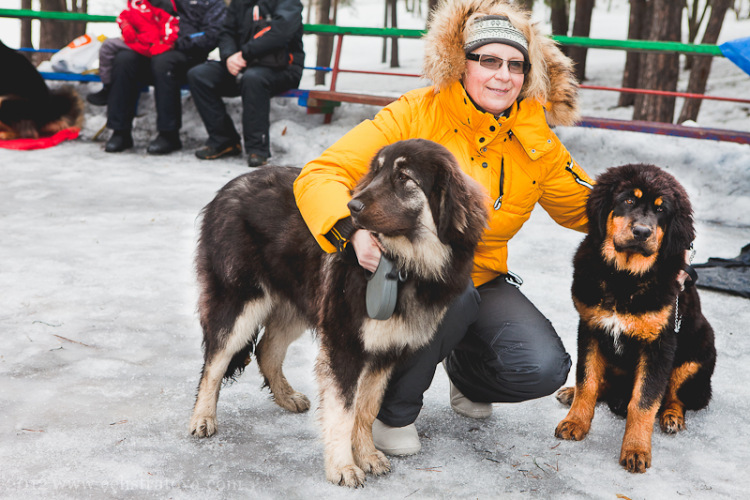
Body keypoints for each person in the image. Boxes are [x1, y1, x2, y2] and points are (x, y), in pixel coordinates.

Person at [293, 0, 595, 457]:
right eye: (488, 60)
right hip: (407, 271)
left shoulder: (535, 137)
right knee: (453, 297)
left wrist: (659, 228)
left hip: (482, 274)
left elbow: (588, 206)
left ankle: (467, 375)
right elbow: (321, 173)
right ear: (460, 63)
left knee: (541, 367)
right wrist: (348, 231)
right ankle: (391, 413)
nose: (503, 76)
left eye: (516, 65)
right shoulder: (415, 114)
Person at [186, 0, 305, 167]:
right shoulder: (239, 3)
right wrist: (229, 57)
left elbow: (281, 32)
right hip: (245, 64)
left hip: (282, 68)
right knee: (199, 75)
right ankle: (224, 140)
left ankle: (257, 149)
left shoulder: (288, 2)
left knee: (253, 79)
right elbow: (227, 32)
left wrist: (244, 54)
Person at [104, 0, 227, 155]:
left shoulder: (212, 3)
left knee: (164, 61)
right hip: (152, 46)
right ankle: (120, 131)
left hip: (187, 54)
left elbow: (212, 34)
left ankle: (168, 134)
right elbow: (140, 13)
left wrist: (176, 42)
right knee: (124, 59)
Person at [87, 0, 180, 107]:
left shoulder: (162, 4)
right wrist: (126, 27)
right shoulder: (136, 3)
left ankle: (108, 88)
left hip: (149, 45)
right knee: (111, 49)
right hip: (136, 41)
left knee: (111, 48)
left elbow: (170, 23)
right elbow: (124, 16)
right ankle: (108, 86)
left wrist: (164, 43)